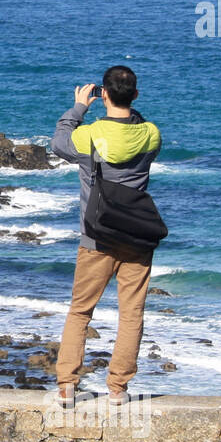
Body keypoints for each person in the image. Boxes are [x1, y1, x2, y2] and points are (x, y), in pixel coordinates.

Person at [50, 65, 161, 408]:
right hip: (137, 235)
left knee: (81, 311)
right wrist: (128, 110)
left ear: (104, 95)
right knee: (131, 313)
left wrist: (79, 107)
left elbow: (59, 143)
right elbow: (137, 130)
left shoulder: (91, 134)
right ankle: (118, 389)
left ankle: (68, 386)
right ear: (136, 96)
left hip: (97, 235)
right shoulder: (151, 134)